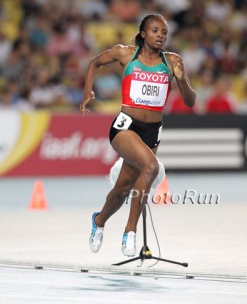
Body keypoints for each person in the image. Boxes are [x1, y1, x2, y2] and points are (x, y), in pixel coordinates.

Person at [79, 13, 196, 257]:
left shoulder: (172, 61)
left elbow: (190, 101)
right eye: (155, 31)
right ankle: (130, 231)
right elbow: (94, 63)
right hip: (125, 126)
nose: (160, 36)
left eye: (164, 32)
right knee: (151, 167)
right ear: (143, 34)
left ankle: (98, 221)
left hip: (152, 132)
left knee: (122, 190)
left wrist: (183, 80)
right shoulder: (126, 54)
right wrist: (88, 91)